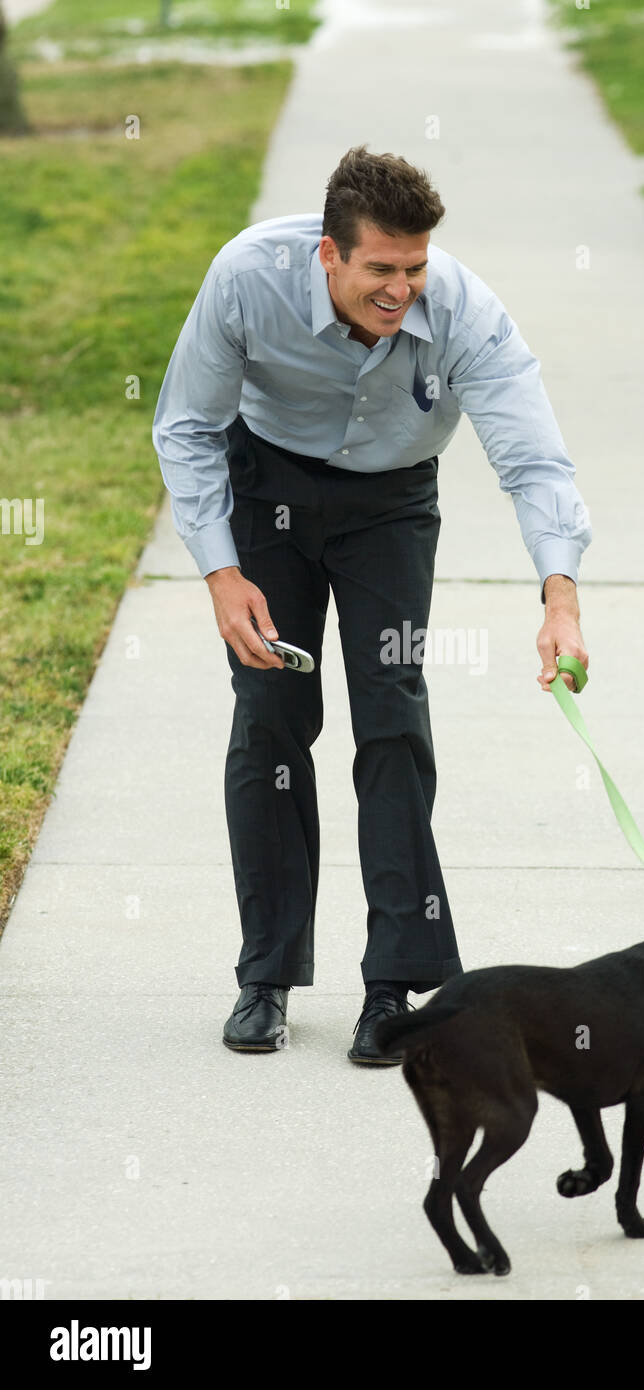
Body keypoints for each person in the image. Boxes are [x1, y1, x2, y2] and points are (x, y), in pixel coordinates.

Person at [152, 145, 591, 1065]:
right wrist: (220, 573)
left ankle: (393, 983)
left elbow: (533, 457)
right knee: (271, 717)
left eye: (416, 268)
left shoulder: (463, 310)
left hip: (390, 502)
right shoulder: (246, 279)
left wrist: (560, 596)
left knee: (390, 715)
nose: (402, 291)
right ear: (329, 255)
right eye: (381, 270)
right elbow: (187, 424)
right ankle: (264, 976)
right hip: (263, 488)